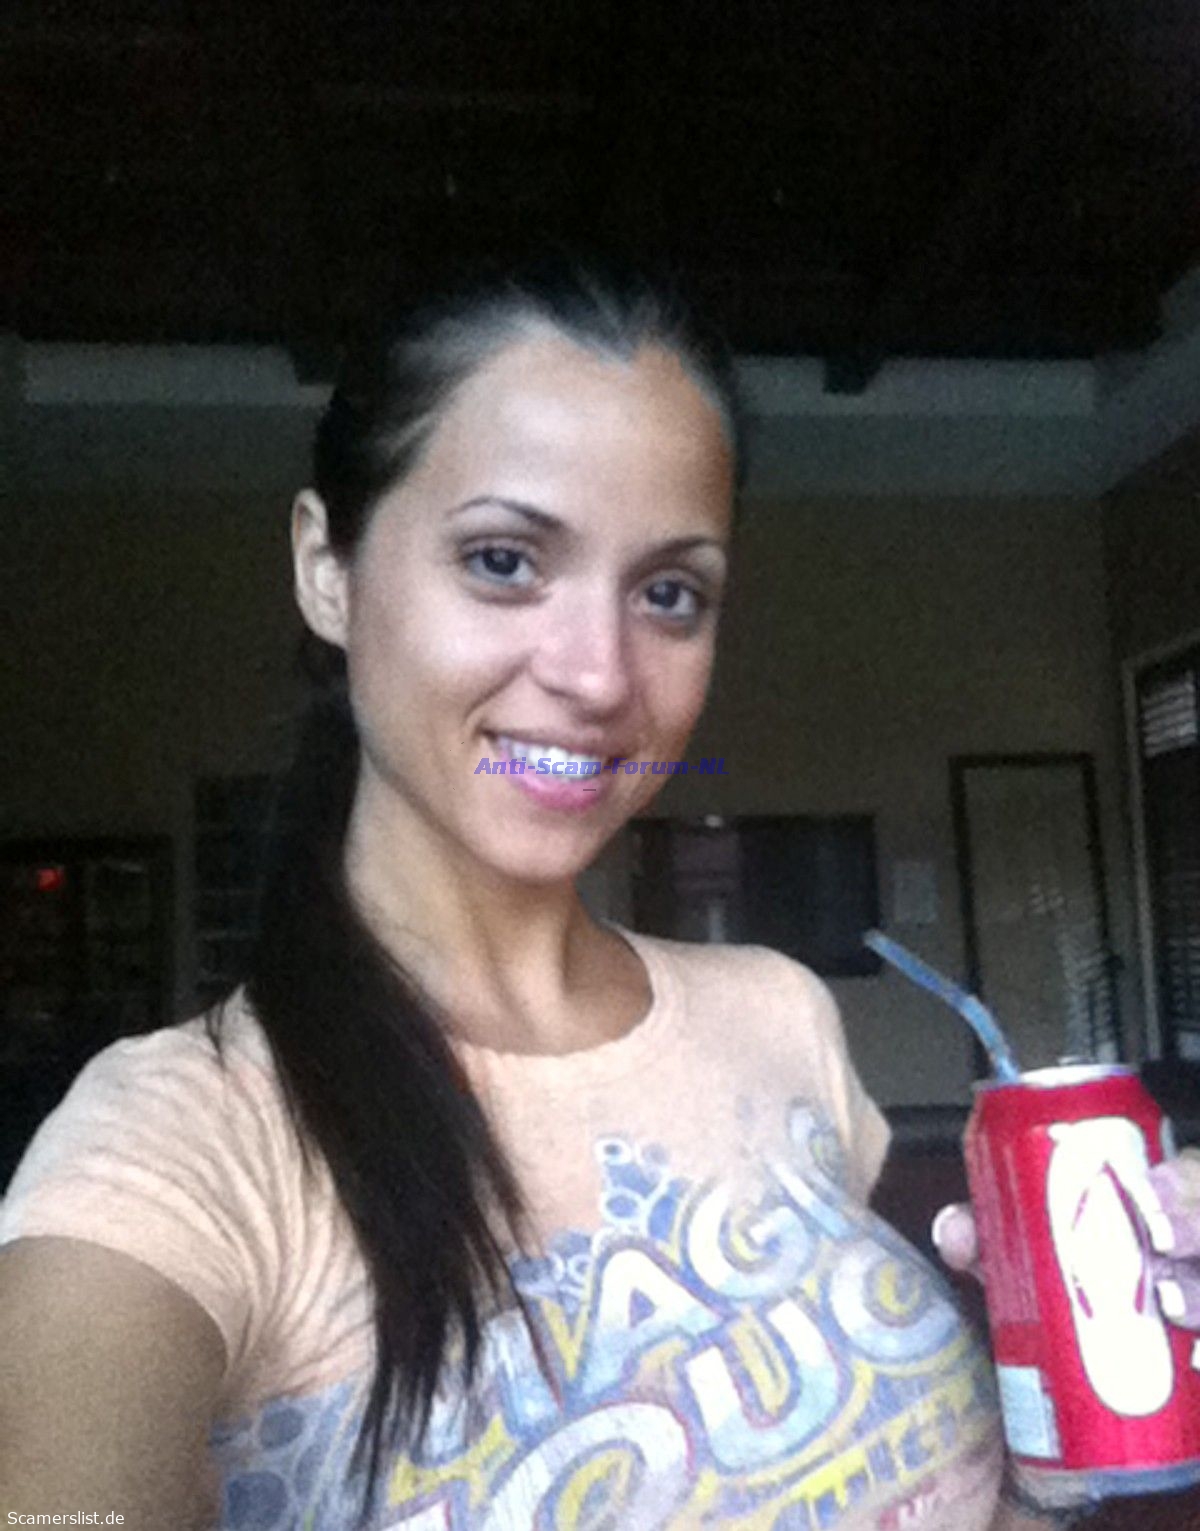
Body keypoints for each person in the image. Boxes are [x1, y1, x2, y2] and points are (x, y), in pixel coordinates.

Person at [0, 258, 1197, 1531]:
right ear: (325, 569)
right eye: (503, 560)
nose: (600, 676)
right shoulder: (178, 1143)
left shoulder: (780, 1012)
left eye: (669, 593)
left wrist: (1074, 1416)